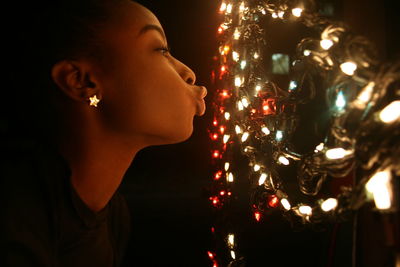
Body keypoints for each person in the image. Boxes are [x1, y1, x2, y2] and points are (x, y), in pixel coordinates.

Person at [0, 0, 207, 266]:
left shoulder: (114, 216)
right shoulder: (14, 212)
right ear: (81, 81)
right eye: (160, 49)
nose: (188, 73)